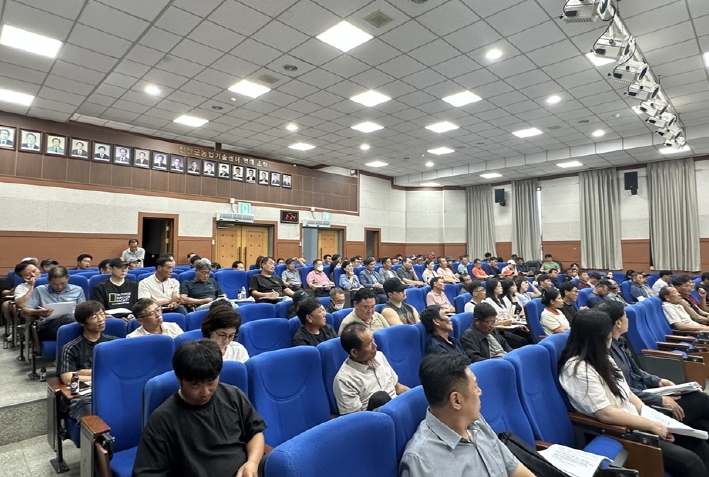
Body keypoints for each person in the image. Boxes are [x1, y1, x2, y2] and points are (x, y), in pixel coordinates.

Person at [559, 309, 709, 477]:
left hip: (637, 421)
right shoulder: (578, 369)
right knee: (690, 462)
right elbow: (605, 413)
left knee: (697, 441)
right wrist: (651, 426)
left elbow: (627, 393)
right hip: (620, 431)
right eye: (608, 332)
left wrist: (652, 416)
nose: (611, 335)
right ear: (596, 336)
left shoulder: (603, 357)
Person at [133, 340, 265, 477]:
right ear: (179, 380)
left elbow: (255, 433)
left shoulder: (233, 396)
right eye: (195, 386)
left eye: (211, 383)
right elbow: (146, 473)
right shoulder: (162, 419)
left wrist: (252, 463)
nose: (205, 392)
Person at [399, 353, 534, 477]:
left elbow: (514, 468)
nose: (479, 391)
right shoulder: (422, 461)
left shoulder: (476, 422)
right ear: (456, 400)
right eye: (475, 386)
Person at [600, 300, 709, 431]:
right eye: (626, 317)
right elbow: (622, 390)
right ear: (618, 323)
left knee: (701, 422)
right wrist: (658, 399)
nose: (628, 320)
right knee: (700, 400)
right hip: (640, 402)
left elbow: (636, 371)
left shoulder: (620, 342)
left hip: (648, 391)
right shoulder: (605, 351)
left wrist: (658, 381)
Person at [57, 301, 116, 420]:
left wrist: (83, 373)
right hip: (83, 397)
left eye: (102, 314)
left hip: (112, 390)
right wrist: (101, 375)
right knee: (95, 418)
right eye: (94, 317)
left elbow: (121, 372)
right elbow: (68, 378)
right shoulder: (70, 348)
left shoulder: (114, 343)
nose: (101, 319)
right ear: (82, 323)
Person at [334, 322, 409, 414]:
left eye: (373, 340)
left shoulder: (379, 356)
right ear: (354, 352)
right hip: (376, 417)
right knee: (380, 398)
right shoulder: (345, 380)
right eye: (369, 343)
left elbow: (397, 387)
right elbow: (354, 418)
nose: (375, 346)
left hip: (398, 408)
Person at [22, 266, 85, 341]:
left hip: (73, 323)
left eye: (63, 283)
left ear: (68, 278)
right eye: (55, 284)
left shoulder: (78, 290)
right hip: (48, 327)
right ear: (48, 280)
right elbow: (24, 310)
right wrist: (38, 312)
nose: (59, 287)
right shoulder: (40, 290)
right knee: (68, 318)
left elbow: (83, 311)